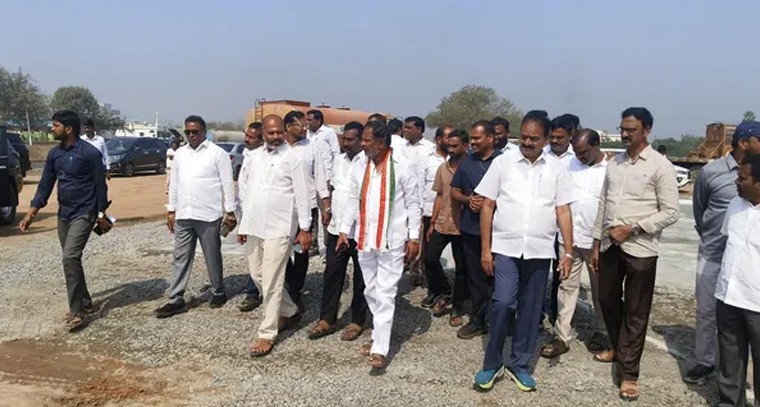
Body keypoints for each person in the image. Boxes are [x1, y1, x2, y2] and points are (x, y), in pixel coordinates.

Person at [472, 113, 575, 392]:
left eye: (534, 139)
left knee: (530, 309)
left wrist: (568, 252)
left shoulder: (557, 168)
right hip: (505, 248)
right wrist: (485, 250)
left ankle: (519, 364)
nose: (527, 143)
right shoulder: (502, 163)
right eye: (524, 137)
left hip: (539, 250)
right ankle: (492, 363)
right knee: (503, 303)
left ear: (546, 139)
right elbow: (487, 206)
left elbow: (563, 210)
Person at [591, 107, 679, 402]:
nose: (625, 134)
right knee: (606, 298)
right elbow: (603, 203)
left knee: (636, 312)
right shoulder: (614, 162)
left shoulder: (660, 166)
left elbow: (670, 212)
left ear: (647, 130)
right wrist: (596, 242)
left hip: (640, 249)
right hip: (609, 244)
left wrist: (633, 229)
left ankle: (629, 374)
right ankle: (619, 347)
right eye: (622, 129)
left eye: (631, 129)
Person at [337, 120, 421, 369]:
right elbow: (352, 199)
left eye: (366, 140)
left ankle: (380, 349)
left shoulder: (403, 166)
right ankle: (377, 334)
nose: (362, 144)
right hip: (365, 238)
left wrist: (414, 237)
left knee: (385, 293)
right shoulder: (360, 165)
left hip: (391, 240)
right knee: (370, 290)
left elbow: (413, 204)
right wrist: (344, 230)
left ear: (381, 143)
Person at [20, 110, 111, 330]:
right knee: (72, 259)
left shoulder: (89, 153)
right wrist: (31, 213)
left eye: (56, 125)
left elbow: (100, 185)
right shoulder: (55, 154)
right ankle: (86, 302)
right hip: (64, 214)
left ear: (68, 129)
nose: (52, 129)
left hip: (85, 212)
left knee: (70, 256)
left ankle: (77, 311)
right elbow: (45, 184)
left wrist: (101, 214)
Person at [686, 120, 760, 384]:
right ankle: (705, 362)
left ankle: (740, 372)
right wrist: (707, 235)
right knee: (706, 313)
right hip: (713, 255)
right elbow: (699, 209)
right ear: (744, 143)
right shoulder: (712, 172)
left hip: (749, 262)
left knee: (747, 319)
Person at [238, 114, 312, 357]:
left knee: (272, 279)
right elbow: (247, 191)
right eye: (271, 133)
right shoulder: (254, 157)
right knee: (257, 274)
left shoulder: (293, 159)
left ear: (285, 131)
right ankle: (290, 310)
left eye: (279, 132)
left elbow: (303, 196)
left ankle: (267, 333)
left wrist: (305, 229)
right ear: (263, 134)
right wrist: (243, 224)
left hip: (280, 227)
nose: (276, 137)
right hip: (254, 225)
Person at [155, 115, 237, 318]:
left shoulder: (217, 154)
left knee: (212, 255)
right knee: (180, 256)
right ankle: (176, 298)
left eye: (195, 132)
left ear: (204, 132)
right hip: (184, 214)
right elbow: (175, 183)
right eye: (188, 132)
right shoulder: (180, 154)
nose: (191, 135)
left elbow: (227, 183)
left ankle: (218, 291)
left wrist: (230, 211)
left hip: (208, 215)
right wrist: (171, 210)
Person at [540, 129, 609, 359]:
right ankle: (562, 336)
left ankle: (601, 331)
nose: (579, 157)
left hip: (596, 241)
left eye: (583, 152)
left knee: (600, 289)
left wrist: (600, 241)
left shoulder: (610, 170)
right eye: (576, 152)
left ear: (596, 146)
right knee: (566, 286)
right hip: (569, 239)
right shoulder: (569, 165)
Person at [307, 121, 368, 341]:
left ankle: (357, 320)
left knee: (361, 277)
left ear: (361, 140)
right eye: (344, 139)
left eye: (350, 140)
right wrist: (328, 209)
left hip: (360, 231)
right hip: (336, 229)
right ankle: (327, 318)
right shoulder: (339, 161)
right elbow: (333, 188)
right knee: (332, 273)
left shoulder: (369, 162)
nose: (345, 143)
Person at [714, 152, 760, 407]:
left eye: (742, 179)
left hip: (757, 302)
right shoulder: (735, 205)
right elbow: (727, 243)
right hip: (728, 297)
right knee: (730, 359)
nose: (736, 182)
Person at [450, 120, 501, 339]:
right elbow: (454, 190)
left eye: (477, 138)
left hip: (499, 232)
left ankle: (502, 320)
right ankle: (478, 320)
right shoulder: (467, 162)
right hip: (471, 230)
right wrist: (468, 200)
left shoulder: (504, 162)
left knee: (500, 279)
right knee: (476, 278)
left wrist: (491, 204)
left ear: (490, 138)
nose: (472, 142)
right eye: (471, 138)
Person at [283, 110, 331, 312]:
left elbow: (320, 177)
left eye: (306, 125)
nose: (305, 128)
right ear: (288, 127)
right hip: (283, 207)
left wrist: (326, 205)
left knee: (302, 250)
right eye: (300, 125)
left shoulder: (312, 147)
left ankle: (295, 291)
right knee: (281, 248)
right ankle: (286, 284)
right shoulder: (279, 148)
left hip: (307, 206)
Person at [424, 129, 470, 326]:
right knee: (429, 258)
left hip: (463, 226)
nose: (450, 149)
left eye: (455, 146)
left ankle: (457, 307)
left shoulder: (471, 168)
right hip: (443, 222)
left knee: (462, 268)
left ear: (465, 146)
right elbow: (440, 195)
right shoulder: (442, 168)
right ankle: (444, 291)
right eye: (449, 146)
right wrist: (432, 222)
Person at [418, 125, 450, 307]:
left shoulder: (459, 159)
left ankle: (455, 295)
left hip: (453, 216)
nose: (451, 141)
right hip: (430, 213)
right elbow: (418, 186)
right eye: (448, 137)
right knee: (429, 257)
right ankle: (435, 290)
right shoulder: (426, 160)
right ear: (438, 139)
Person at [236, 121, 264, 312]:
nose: (246, 139)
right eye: (246, 136)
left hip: (260, 215)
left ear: (261, 139)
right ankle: (255, 290)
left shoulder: (262, 158)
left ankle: (254, 293)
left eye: (251, 137)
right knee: (254, 257)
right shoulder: (247, 155)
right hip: (247, 213)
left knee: (263, 257)